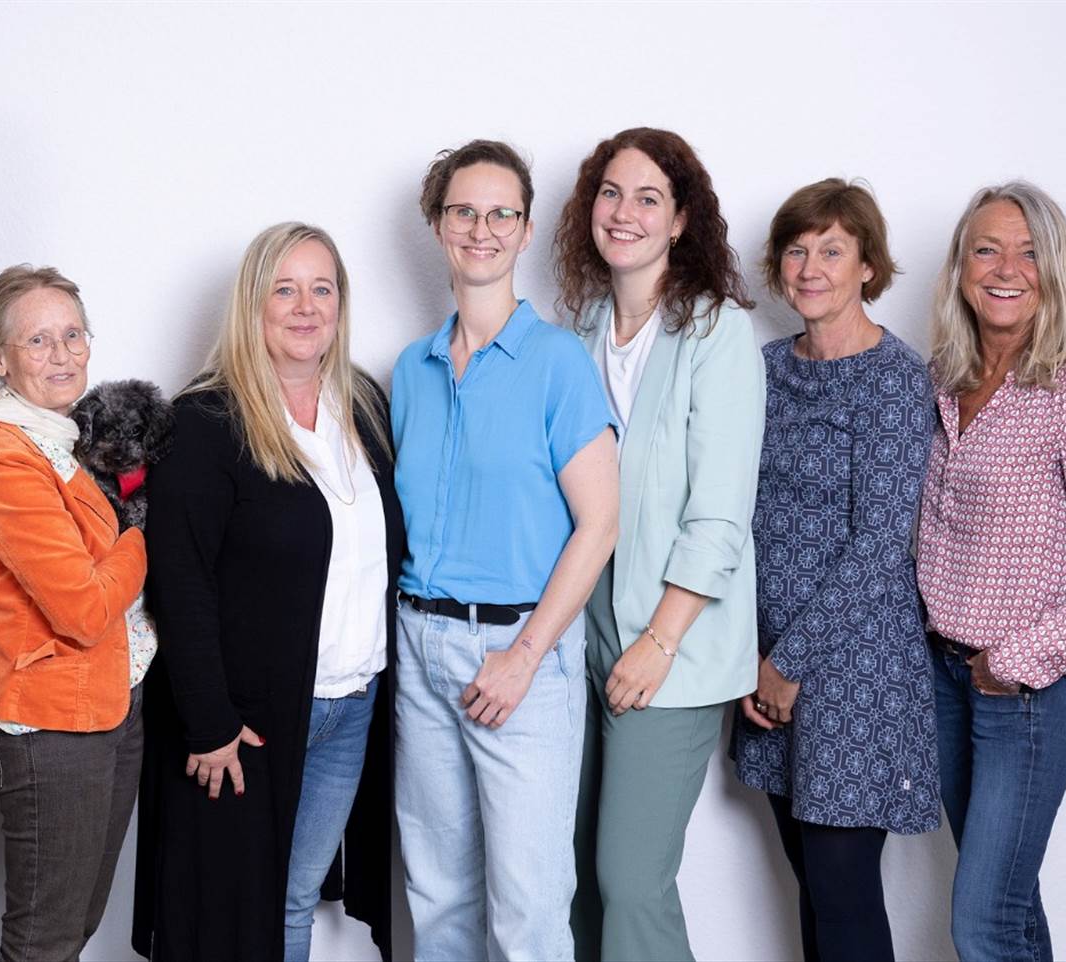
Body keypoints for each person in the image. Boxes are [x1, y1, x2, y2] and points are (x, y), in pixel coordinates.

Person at [132, 223, 400, 961]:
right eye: (285, 289)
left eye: (322, 289)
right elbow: (179, 581)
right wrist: (209, 722)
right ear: (253, 305)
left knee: (290, 904)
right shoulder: (207, 422)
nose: (306, 307)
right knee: (229, 919)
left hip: (350, 705)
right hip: (245, 722)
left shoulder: (364, 410)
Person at [391, 139, 619, 961]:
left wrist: (524, 657)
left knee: (527, 911)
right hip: (420, 647)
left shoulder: (558, 362)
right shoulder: (410, 369)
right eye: (463, 211)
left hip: (521, 654)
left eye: (501, 214)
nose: (480, 229)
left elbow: (600, 525)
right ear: (438, 224)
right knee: (439, 899)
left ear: (524, 231)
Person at [918, 181, 1066, 962]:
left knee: (981, 922)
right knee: (1011, 911)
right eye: (987, 249)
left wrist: (1013, 661)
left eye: (1028, 252)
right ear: (961, 267)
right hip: (945, 678)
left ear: (1054, 269)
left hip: (1025, 694)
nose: (1006, 268)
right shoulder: (945, 377)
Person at [551, 127, 763, 962]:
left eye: (648, 198)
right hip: (582, 631)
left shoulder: (716, 333)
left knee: (631, 879)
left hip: (672, 642)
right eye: (610, 193)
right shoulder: (581, 331)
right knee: (569, 872)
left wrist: (660, 640)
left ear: (680, 221)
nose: (624, 212)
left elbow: (720, 515)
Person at [731, 178, 939, 962]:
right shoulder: (762, 368)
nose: (810, 268)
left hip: (856, 671)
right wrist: (748, 657)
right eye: (796, 250)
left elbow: (881, 545)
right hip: (763, 659)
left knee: (844, 896)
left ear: (867, 267)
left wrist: (787, 664)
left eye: (831, 251)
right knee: (813, 891)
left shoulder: (895, 378)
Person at [0, 265, 149, 962]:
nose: (63, 355)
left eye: (73, 335)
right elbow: (82, 608)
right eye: (38, 340)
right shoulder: (4, 457)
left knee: (76, 926)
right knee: (42, 943)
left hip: (110, 700)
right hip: (51, 720)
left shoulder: (63, 439)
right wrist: (144, 532)